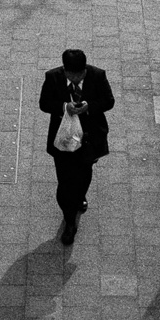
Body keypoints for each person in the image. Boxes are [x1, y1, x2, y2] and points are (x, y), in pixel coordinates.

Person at [39, 48, 115, 245]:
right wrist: (65, 107)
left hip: (89, 139)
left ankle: (80, 196)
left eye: (79, 75)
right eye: (71, 75)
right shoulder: (53, 77)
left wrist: (90, 106)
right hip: (63, 139)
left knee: (84, 174)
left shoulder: (98, 75)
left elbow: (109, 101)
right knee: (64, 182)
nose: (75, 78)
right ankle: (69, 220)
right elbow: (44, 103)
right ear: (64, 71)